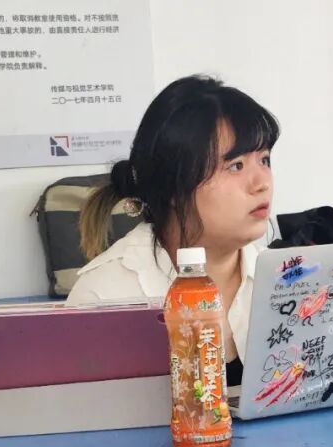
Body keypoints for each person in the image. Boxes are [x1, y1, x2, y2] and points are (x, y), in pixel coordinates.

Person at [67, 74, 280, 388]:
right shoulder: (105, 297)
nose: (262, 183)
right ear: (174, 185)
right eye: (236, 165)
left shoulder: (282, 284)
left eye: (264, 160)